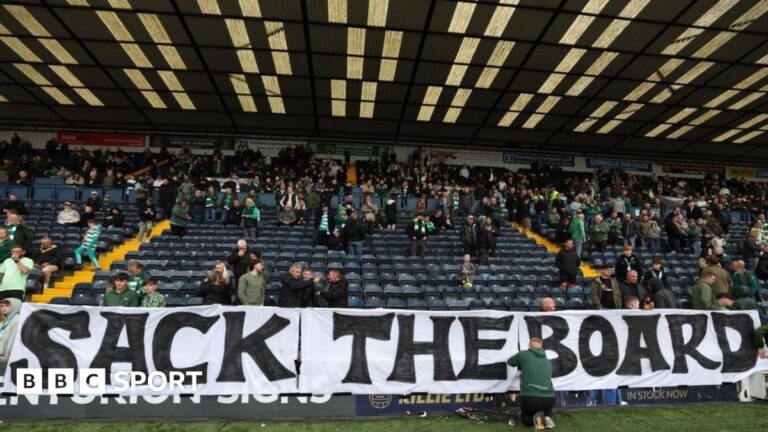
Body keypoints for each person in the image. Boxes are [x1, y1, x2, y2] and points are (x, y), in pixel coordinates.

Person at [506, 338, 556, 430]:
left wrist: (522, 366)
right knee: (547, 396)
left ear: (529, 346)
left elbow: (510, 362)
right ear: (541, 348)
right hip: (550, 399)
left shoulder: (524, 354)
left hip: (530, 398)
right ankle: (547, 416)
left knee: (525, 420)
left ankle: (537, 419)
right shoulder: (548, 362)